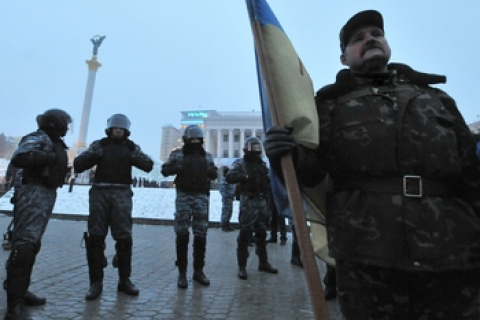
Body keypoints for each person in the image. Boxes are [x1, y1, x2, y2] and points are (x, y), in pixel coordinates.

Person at [264, 10, 480, 319]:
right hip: (369, 258)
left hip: (452, 253)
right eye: (358, 38)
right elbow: (312, 171)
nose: (370, 39)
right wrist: (284, 153)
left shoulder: (435, 98)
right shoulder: (330, 104)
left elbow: (472, 171)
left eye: (376, 33)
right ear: (344, 57)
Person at [74, 113, 153, 300]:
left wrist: (134, 153)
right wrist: (95, 154)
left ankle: (124, 280)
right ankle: (95, 282)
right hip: (100, 193)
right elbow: (79, 164)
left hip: (122, 194)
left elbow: (148, 165)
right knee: (95, 238)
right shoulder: (99, 145)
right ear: (109, 130)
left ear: (126, 131)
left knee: (124, 238)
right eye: (115, 128)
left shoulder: (130, 147)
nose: (118, 131)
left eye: (121, 129)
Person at [4, 109, 71, 320]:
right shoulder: (37, 138)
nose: (66, 127)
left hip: (47, 193)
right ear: (54, 123)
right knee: (24, 246)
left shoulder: (54, 141)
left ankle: (22, 291)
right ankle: (14, 304)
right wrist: (48, 156)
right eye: (64, 123)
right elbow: (20, 156)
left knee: (32, 245)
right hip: (33, 191)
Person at [161, 125, 218, 289]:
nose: (194, 142)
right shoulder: (178, 154)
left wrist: (209, 171)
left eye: (197, 140)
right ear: (186, 140)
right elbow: (165, 170)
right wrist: (177, 168)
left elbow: (214, 173)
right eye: (192, 139)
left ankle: (198, 271)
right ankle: (182, 273)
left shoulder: (206, 156)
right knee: (182, 234)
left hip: (201, 197)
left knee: (201, 235)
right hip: (184, 197)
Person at [226, 136, 278, 280]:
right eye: (253, 147)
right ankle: (242, 266)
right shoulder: (241, 163)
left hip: (262, 202)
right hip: (248, 202)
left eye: (257, 147)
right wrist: (244, 177)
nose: (255, 150)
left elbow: (268, 181)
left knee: (262, 233)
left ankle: (263, 262)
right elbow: (230, 177)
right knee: (245, 233)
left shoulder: (262, 165)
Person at [218, 167, 236, 232]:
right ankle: (224, 226)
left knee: (229, 212)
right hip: (226, 199)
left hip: (230, 198)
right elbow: (222, 190)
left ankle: (227, 224)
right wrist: (227, 196)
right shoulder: (224, 180)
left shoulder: (228, 179)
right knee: (225, 212)